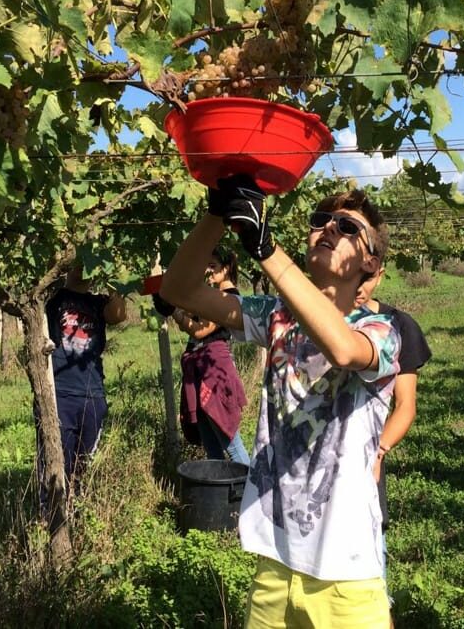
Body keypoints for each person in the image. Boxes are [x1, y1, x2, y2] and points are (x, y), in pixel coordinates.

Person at [158, 177, 399, 628]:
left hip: (346, 573)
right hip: (275, 557)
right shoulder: (276, 317)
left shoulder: (382, 332)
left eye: (347, 227)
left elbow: (343, 350)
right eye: (321, 220)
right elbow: (180, 290)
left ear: (370, 260)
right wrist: (217, 213)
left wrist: (266, 248)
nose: (328, 228)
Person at [354, 268, 432, 625]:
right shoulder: (312, 318)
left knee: (370, 563)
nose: (358, 285)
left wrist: (378, 451)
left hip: (363, 465)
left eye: (365, 276)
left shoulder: (397, 325)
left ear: (380, 274)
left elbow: (405, 405)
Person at [41, 264, 127, 511]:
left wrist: (114, 274)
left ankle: (76, 510)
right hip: (60, 392)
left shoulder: (99, 303)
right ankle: (51, 515)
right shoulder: (52, 299)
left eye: (89, 260)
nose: (83, 266)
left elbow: (118, 315)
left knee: (84, 461)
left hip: (92, 392)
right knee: (55, 459)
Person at [155, 248, 250, 464]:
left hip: (213, 370)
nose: (207, 270)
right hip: (198, 370)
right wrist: (172, 301)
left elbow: (201, 331)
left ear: (226, 269)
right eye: (205, 266)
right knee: (211, 447)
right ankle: (220, 494)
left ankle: (251, 490)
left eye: (213, 266)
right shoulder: (209, 295)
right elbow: (190, 321)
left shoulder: (230, 298)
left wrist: (175, 313)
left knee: (231, 444)